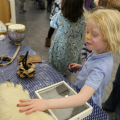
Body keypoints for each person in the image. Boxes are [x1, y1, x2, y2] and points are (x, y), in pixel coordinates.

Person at [17, 9, 120, 115]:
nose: (87, 37)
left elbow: (81, 98)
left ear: (110, 39)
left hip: (88, 106)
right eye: (87, 31)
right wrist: (81, 67)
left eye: (94, 34)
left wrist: (46, 103)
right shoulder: (99, 51)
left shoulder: (100, 68)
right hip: (80, 94)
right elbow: (91, 68)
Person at [48, 0, 85, 77]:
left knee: (56, 66)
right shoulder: (83, 17)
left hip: (60, 46)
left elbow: (52, 24)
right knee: (69, 68)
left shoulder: (60, 14)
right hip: (74, 47)